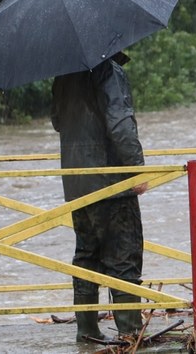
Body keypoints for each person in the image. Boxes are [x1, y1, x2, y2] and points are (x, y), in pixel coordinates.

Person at [50, 51, 148, 342]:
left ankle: (87, 331)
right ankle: (130, 334)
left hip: (77, 183)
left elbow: (58, 121)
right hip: (111, 182)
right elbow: (120, 124)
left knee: (86, 254)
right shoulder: (109, 71)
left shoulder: (64, 75)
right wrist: (138, 169)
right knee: (124, 256)